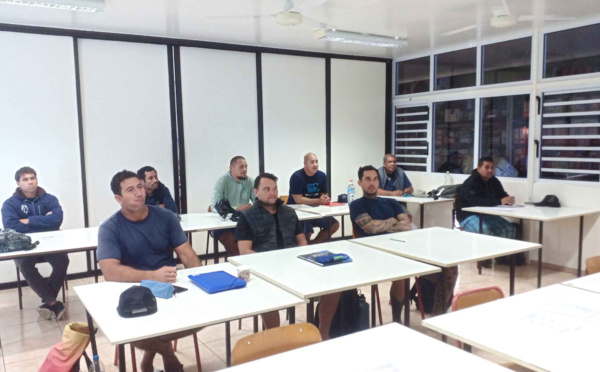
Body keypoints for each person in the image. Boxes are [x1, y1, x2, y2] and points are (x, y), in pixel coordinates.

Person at [97, 170, 202, 372]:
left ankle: (147, 362)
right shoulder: (110, 228)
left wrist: (204, 279)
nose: (139, 192)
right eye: (130, 190)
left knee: (203, 318)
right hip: (133, 290)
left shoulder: (166, 217)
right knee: (136, 333)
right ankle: (171, 360)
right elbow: (110, 272)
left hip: (170, 287)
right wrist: (152, 276)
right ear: (118, 198)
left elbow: (187, 254)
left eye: (139, 186)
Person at [235, 173, 338, 340]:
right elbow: (244, 251)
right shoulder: (247, 216)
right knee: (265, 294)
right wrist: (269, 262)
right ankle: (275, 338)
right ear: (256, 192)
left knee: (334, 285)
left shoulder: (289, 213)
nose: (272, 193)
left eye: (275, 188)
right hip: (266, 270)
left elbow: (301, 242)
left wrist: (307, 260)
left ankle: (323, 333)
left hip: (295, 266)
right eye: (266, 189)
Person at [1, 166, 68, 320]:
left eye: (33, 178)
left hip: (51, 242)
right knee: (24, 264)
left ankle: (48, 302)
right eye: (25, 179)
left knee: (62, 261)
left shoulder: (50, 199)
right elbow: (11, 227)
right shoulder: (10, 204)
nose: (30, 182)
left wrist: (28, 220)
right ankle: (52, 301)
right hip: (23, 245)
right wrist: (45, 220)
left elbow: (56, 220)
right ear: (18, 183)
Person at [350, 165, 413, 322]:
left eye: (375, 179)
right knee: (401, 270)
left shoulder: (390, 202)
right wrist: (393, 220)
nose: (372, 183)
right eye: (368, 179)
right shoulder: (357, 205)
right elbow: (370, 228)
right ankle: (398, 320)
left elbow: (407, 225)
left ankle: (397, 320)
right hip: (369, 254)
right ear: (360, 183)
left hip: (395, 248)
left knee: (405, 270)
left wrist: (383, 224)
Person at [456, 157, 516, 268]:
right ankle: (484, 258)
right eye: (486, 167)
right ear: (479, 168)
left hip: (486, 214)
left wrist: (507, 199)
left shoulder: (494, 181)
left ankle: (501, 257)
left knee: (509, 229)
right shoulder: (471, 182)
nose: (490, 170)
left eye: (492, 168)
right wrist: (499, 201)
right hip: (467, 215)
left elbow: (501, 194)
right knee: (484, 230)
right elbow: (476, 201)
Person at [287, 153, 339, 244]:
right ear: (305, 164)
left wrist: (325, 199)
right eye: (312, 162)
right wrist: (318, 200)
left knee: (334, 225)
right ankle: (306, 246)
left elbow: (324, 195)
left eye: (316, 162)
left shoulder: (322, 176)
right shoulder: (297, 176)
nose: (315, 165)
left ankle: (313, 244)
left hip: (315, 211)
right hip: (299, 213)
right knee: (307, 231)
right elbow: (298, 200)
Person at [210, 156, 255, 256]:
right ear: (231, 168)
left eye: (246, 167)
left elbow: (257, 201)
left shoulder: (250, 181)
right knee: (235, 247)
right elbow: (213, 207)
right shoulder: (222, 181)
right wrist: (236, 209)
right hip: (223, 226)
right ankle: (242, 267)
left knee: (258, 241)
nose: (244, 170)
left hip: (242, 222)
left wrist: (253, 208)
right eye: (241, 167)